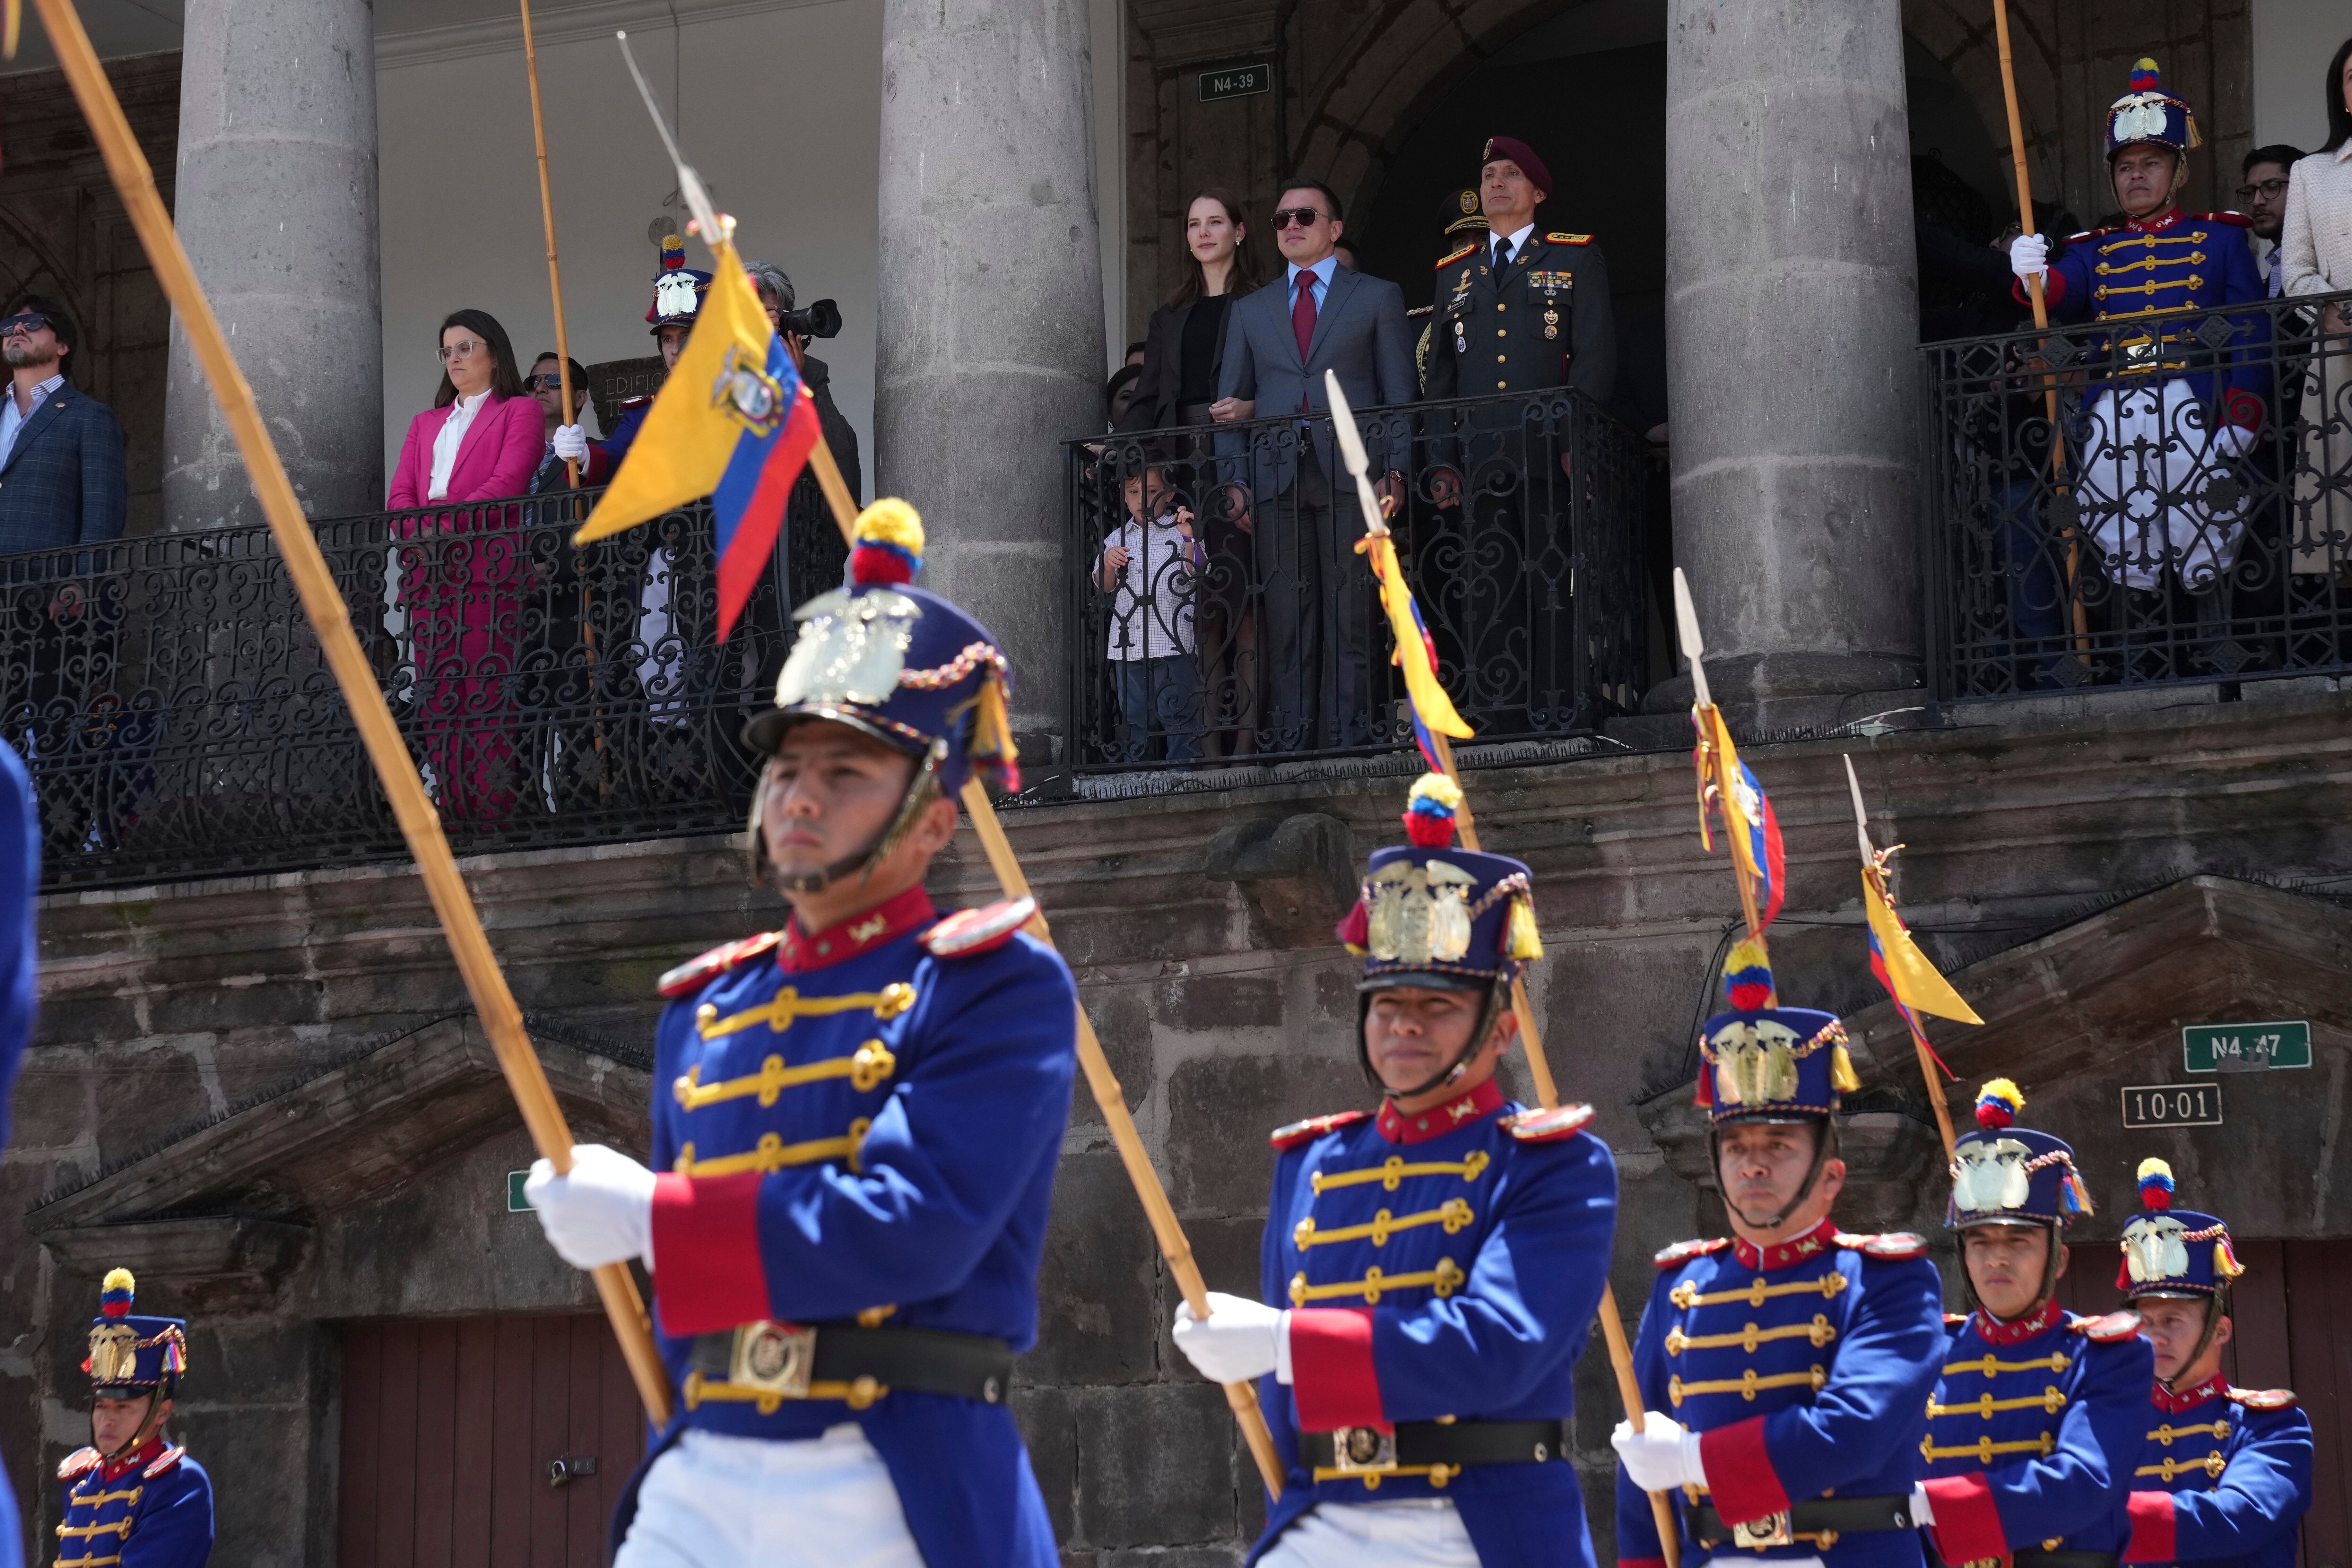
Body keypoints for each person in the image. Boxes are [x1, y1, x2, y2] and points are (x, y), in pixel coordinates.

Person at [523, 499, 1074, 1568]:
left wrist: (654, 1215)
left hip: (882, 1466)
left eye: (845, 774)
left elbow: (913, 1227)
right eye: (786, 770)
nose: (799, 798)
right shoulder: (707, 1006)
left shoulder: (995, 986)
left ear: (932, 817)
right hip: (704, 1462)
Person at [1169, 773, 1616, 1568]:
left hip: (1476, 1521)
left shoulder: (1554, 1164)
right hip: (1324, 1515)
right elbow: (1284, 1409)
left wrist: (1282, 1340)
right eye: (1386, 1001)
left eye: (1439, 1004)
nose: (1405, 1020)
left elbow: (1499, 1345)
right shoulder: (1310, 1160)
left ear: (1500, 1028)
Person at [1609, 940, 1947, 1568]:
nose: (1754, 1162)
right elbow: (1641, 1487)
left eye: (1780, 1143)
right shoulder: (1680, 1285)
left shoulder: (1890, 1282)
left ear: (1831, 1174)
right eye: (1735, 1145)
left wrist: (1690, 1460)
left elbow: (1854, 1431)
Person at [2008, 61, 2268, 626]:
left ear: (2176, 172)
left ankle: (2213, 655)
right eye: (2125, 167)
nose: (2136, 176)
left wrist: (2243, 413)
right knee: (2124, 534)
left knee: (2206, 533)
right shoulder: (2092, 249)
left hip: (2195, 403)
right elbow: (2060, 292)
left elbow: (2252, 332)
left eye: (2150, 163)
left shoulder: (2220, 239)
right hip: (2114, 411)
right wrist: (2032, 269)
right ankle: (2139, 662)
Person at [1912, 1080, 2153, 1567]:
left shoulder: (2109, 1356)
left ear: (2058, 1259)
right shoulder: (1926, 1352)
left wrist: (1926, 1506)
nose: (1996, 1258)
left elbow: (2083, 1482)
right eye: (1978, 1242)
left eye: (2018, 1242)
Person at [1214, 176, 1416, 752]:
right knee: (1286, 619)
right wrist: (1235, 482)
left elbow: (1398, 394)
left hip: (1353, 475)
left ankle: (1348, 741)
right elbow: (1232, 403)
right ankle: (1295, 744)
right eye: (1281, 220)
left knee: (1352, 615)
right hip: (1275, 476)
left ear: (1334, 228)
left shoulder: (1376, 295)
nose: (1292, 227)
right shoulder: (1251, 310)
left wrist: (1395, 472)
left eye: (1304, 216)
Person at [1423, 137, 1617, 731]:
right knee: (1488, 585)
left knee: (1551, 577)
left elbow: (1594, 357)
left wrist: (1572, 443)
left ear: (1536, 193)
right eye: (1488, 175)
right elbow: (1441, 379)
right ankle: (1499, 711)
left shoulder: (1573, 257)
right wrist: (1442, 459)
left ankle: (1558, 703)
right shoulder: (1455, 273)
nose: (1497, 183)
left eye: (1511, 175)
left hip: (1546, 452)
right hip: (1481, 456)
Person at [1118, 187, 1267, 754]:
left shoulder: (1262, 300)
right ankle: (1208, 750)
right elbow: (1148, 395)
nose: (1203, 233)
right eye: (1192, 225)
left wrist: (1254, 410)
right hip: (1188, 469)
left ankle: (1247, 746)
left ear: (1239, 231)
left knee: (1248, 606)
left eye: (1215, 222)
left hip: (1245, 459)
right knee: (1200, 608)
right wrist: (1114, 452)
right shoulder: (1170, 314)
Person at [2114, 1160, 2312, 1568]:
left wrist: (2091, 1520)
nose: (2156, 1336)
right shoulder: (2110, 1422)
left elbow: (2237, 1518)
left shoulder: (2273, 1425)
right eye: (2145, 1322)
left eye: (2173, 1320)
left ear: (2220, 1331)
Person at [386, 310, 543, 820]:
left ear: (494, 353)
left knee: (485, 694)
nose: (454, 358)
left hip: (485, 568)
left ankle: (491, 813)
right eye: (447, 351)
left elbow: (508, 483)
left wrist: (443, 529)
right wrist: (421, 535)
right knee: (437, 698)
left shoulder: (519, 411)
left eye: (465, 348)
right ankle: (454, 810)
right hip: (430, 574)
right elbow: (400, 498)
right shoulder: (424, 424)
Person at [54, 1268, 214, 1567]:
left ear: (162, 1412)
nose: (107, 1420)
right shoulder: (81, 1479)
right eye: (101, 1406)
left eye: (124, 1408)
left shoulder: (180, 1482)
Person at [2277, 38, 2352, 574]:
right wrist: (2330, 314)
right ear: (2342, 96)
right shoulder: (2312, 173)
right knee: (2342, 520)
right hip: (2341, 352)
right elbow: (2295, 270)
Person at [1094, 464, 1203, 762]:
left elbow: (1196, 575)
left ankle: (1183, 775)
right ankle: (1137, 778)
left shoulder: (1181, 531)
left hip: (1171, 642)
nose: (1143, 499)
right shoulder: (1117, 538)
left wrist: (1189, 540)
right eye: (1134, 492)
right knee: (1135, 717)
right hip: (1128, 646)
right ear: (1124, 497)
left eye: (1152, 492)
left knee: (1178, 712)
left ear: (1168, 495)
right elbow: (1105, 587)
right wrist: (1107, 564)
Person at [0, 294, 124, 554]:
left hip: (44, 586)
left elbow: (102, 516)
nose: (18, 329)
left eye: (33, 322)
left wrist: (81, 587)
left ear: (63, 346)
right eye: (9, 326)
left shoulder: (90, 416)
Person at [525, 352, 596, 495]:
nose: (540, 389)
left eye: (554, 380)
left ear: (580, 398)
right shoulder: (507, 454)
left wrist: (585, 461)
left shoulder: (599, 454)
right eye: (533, 382)